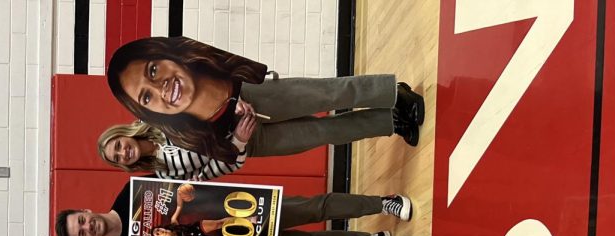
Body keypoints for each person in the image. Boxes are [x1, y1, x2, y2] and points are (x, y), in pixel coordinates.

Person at [105, 36, 426, 161]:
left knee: (332, 92)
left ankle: (393, 93)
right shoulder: (169, 155)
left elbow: (215, 55)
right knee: (328, 132)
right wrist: (239, 141)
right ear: (146, 109)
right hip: (256, 141)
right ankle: (391, 121)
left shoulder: (191, 58)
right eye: (146, 96)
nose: (160, 87)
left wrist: (241, 86)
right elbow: (221, 162)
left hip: (255, 95)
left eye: (152, 70)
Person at [56, 183, 409, 236]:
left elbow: (188, 187)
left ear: (87, 211)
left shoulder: (133, 191)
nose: (88, 227)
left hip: (236, 213)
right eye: (81, 233)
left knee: (315, 208)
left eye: (82, 221)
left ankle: (383, 203)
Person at [97, 121, 247, 181]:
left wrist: (234, 103)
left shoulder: (153, 116)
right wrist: (238, 142)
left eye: (118, 145)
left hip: (242, 106)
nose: (123, 153)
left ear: (123, 133)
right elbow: (213, 170)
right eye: (117, 158)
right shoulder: (166, 174)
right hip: (247, 141)